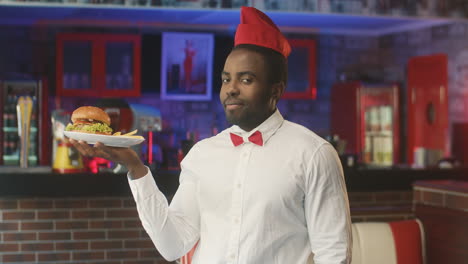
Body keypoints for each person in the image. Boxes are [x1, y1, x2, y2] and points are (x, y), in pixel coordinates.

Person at [70, 6, 352, 264]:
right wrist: (135, 168)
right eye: (226, 78)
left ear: (275, 90)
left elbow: (334, 253)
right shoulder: (202, 154)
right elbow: (173, 245)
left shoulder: (313, 154)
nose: (230, 88)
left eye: (246, 79)